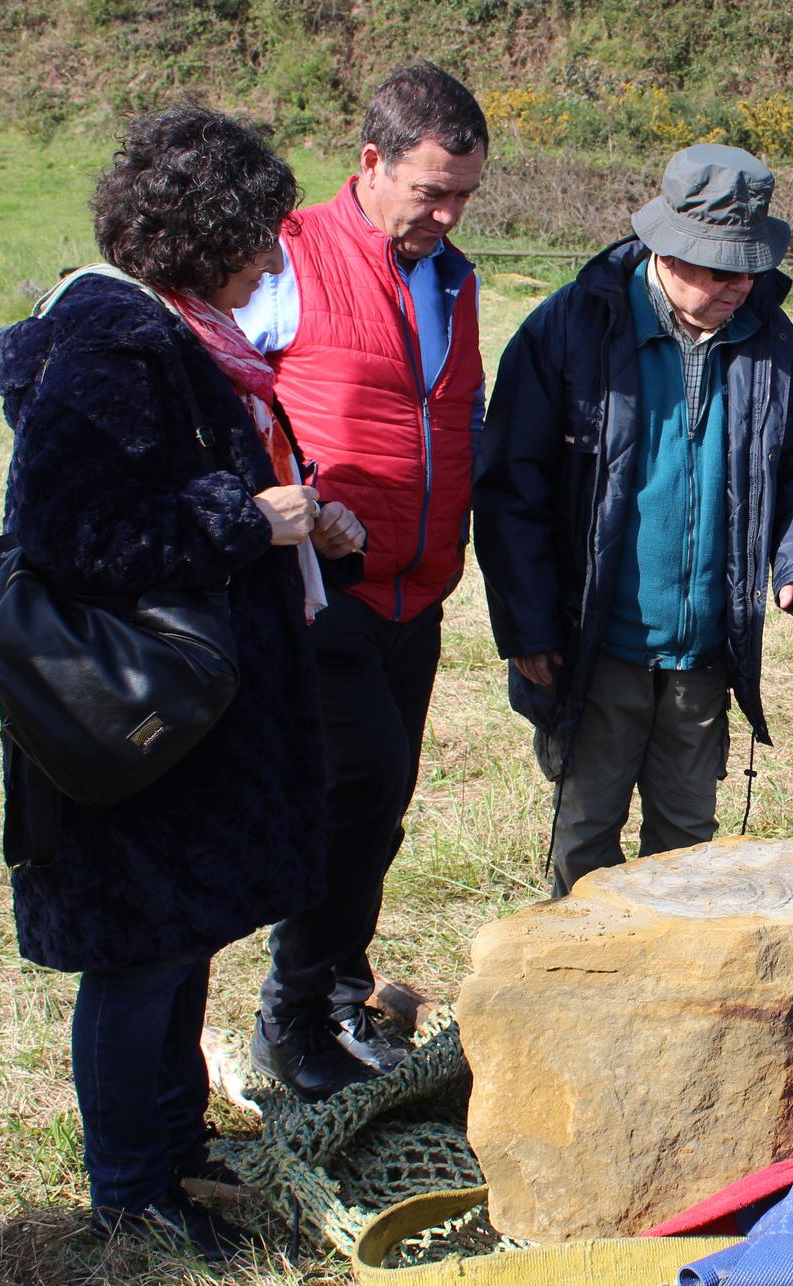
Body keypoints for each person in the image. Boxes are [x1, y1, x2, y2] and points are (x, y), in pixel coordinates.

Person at [0, 106, 365, 1258]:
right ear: (205, 233)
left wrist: (296, 527)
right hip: (137, 716)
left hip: (185, 718)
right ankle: (130, 1195)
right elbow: (67, 530)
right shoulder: (118, 341)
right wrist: (246, 518)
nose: (272, 258)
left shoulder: (179, 334)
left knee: (176, 940)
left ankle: (174, 1147)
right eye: (258, 234)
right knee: (136, 955)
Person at [474, 143, 793, 893]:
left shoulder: (774, 343)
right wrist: (530, 626)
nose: (741, 285)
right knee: (585, 841)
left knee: (688, 852)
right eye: (720, 268)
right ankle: (583, 996)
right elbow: (510, 487)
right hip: (595, 648)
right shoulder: (567, 331)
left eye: (750, 266)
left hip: (706, 655)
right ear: (665, 249)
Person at [236, 60, 488, 1099]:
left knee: (383, 805)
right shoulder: (286, 258)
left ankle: (342, 993)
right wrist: (284, 504)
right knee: (356, 790)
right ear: (370, 162)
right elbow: (221, 398)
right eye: (431, 189)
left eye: (464, 193)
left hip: (415, 588)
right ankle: (286, 1015)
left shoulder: (454, 275)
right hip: (320, 591)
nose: (446, 212)